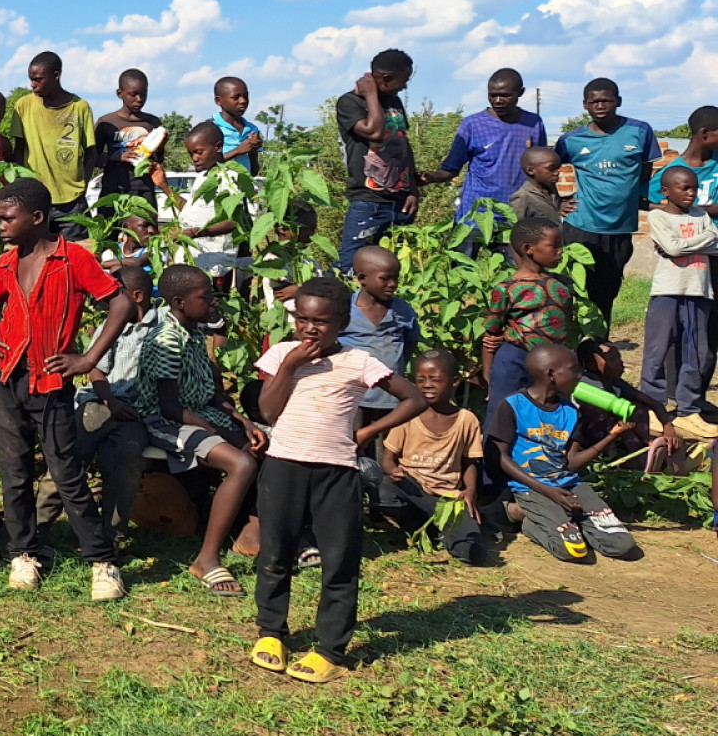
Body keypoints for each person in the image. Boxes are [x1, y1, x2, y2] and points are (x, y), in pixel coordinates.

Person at [251, 277, 425, 684]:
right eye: (303, 319)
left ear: (343, 322)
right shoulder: (281, 355)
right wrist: (292, 364)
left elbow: (414, 398)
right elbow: (269, 410)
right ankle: (271, 632)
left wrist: (365, 434)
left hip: (337, 473)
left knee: (340, 561)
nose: (310, 329)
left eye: (322, 321)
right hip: (283, 467)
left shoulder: (359, 361)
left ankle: (330, 649)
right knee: (275, 554)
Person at [0, 177, 134, 600]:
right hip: (9, 377)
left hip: (50, 382)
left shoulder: (73, 259)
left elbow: (121, 303)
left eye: (8, 218)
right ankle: (23, 554)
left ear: (37, 218)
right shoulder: (7, 263)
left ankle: (102, 562)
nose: (1, 226)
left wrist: (87, 360)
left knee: (65, 472)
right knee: (14, 472)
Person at [133, 264, 264, 596]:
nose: (213, 304)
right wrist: (216, 432)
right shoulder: (165, 339)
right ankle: (206, 559)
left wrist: (242, 421)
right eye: (205, 298)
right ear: (179, 302)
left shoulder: (193, 333)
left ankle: (253, 532)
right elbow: (168, 406)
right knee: (241, 463)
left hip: (200, 413)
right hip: (166, 422)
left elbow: (212, 394)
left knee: (266, 445)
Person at [485, 343, 640, 563]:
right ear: (551, 374)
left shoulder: (570, 411)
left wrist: (612, 436)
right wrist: (547, 491)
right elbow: (500, 457)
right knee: (574, 550)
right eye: (574, 369)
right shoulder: (512, 406)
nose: (580, 375)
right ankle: (524, 516)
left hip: (569, 485)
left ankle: (563, 518)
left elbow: (571, 463)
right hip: (532, 487)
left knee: (621, 545)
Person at [368, 349, 485, 564]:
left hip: (447, 497)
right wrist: (393, 471)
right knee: (382, 493)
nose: (427, 385)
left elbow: (469, 462)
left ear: (455, 382)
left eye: (436, 380)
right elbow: (388, 458)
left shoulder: (466, 420)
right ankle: (422, 526)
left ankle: (444, 528)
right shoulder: (407, 415)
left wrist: (470, 491)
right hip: (412, 487)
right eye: (421, 380)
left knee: (471, 552)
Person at [556, 77, 660, 317]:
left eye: (606, 100)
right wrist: (557, 200)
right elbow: (544, 169)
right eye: (594, 102)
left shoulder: (639, 131)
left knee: (607, 292)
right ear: (585, 105)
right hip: (581, 225)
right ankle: (570, 350)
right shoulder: (571, 140)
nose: (600, 106)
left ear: (618, 102)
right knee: (574, 290)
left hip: (619, 229)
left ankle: (599, 348)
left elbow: (644, 173)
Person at [71, 266, 160, 540]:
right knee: (69, 457)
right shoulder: (111, 325)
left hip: (137, 412)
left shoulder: (163, 326)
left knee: (128, 458)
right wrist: (110, 401)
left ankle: (112, 532)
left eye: (115, 294)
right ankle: (40, 524)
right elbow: (95, 368)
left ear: (136, 296)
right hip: (101, 400)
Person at [419, 69, 547, 249]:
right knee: (462, 270)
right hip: (475, 214)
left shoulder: (533, 123)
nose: (498, 101)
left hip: (515, 214)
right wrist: (430, 177)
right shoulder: (473, 124)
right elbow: (452, 167)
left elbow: (541, 167)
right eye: (492, 95)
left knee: (513, 273)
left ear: (520, 93)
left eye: (504, 96)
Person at [479, 217, 576, 424]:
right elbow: (491, 333)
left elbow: (565, 323)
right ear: (529, 249)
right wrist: (489, 376)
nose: (560, 251)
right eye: (554, 246)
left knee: (549, 413)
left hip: (553, 364)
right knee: (502, 413)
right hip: (515, 359)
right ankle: (493, 456)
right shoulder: (506, 289)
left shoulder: (563, 285)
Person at [643, 166, 718, 418]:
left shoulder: (700, 215)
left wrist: (680, 246)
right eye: (684, 188)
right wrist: (705, 239)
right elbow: (672, 249)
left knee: (695, 350)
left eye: (694, 188)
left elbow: (680, 247)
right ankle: (653, 405)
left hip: (699, 291)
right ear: (665, 191)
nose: (691, 193)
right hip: (667, 291)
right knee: (658, 349)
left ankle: (689, 408)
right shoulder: (659, 217)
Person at [335, 48, 419, 271]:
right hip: (368, 200)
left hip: (400, 202)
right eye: (403, 80)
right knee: (351, 266)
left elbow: (402, 143)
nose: (405, 86)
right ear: (386, 78)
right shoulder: (349, 103)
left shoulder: (395, 101)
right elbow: (375, 132)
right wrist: (371, 94)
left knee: (396, 268)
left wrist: (412, 189)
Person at [11, 51, 97, 241]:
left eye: (38, 79)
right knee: (35, 252)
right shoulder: (23, 106)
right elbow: (18, 149)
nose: (33, 84)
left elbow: (91, 150)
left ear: (56, 76)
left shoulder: (79, 107)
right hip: (35, 197)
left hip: (71, 199)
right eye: (31, 79)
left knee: (72, 254)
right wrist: (21, 185)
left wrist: (84, 184)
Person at [343, 246, 420, 425]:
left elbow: (410, 342)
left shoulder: (402, 310)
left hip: (391, 397)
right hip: (353, 397)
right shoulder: (345, 311)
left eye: (395, 278)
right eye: (385, 278)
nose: (392, 284)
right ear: (362, 278)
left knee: (386, 447)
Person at [178, 122, 245, 277]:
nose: (194, 158)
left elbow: (233, 221)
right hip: (197, 257)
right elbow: (191, 210)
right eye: (191, 154)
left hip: (217, 261)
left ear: (218, 147)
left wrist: (196, 233)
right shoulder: (203, 177)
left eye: (199, 152)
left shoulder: (229, 177)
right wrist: (163, 185)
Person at [97, 69, 165, 203]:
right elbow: (93, 158)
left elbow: (158, 160)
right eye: (133, 95)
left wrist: (160, 147)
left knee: (145, 224)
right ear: (119, 93)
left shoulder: (152, 123)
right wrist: (117, 157)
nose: (139, 99)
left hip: (144, 189)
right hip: (113, 188)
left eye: (143, 94)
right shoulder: (106, 122)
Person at [649, 106, 718, 211]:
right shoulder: (671, 172)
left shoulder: (715, 163)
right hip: (690, 227)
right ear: (705, 133)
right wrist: (682, 211)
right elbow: (644, 201)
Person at [508, 145, 569, 228]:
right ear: (531, 170)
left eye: (558, 168)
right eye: (551, 169)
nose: (557, 173)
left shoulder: (553, 191)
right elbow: (515, 229)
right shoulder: (522, 197)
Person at [214, 76, 263, 175]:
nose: (243, 101)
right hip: (220, 188)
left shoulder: (251, 129)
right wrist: (238, 151)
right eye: (236, 97)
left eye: (246, 96)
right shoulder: (211, 128)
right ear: (219, 101)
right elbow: (206, 165)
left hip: (242, 189)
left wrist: (253, 151)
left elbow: (253, 172)